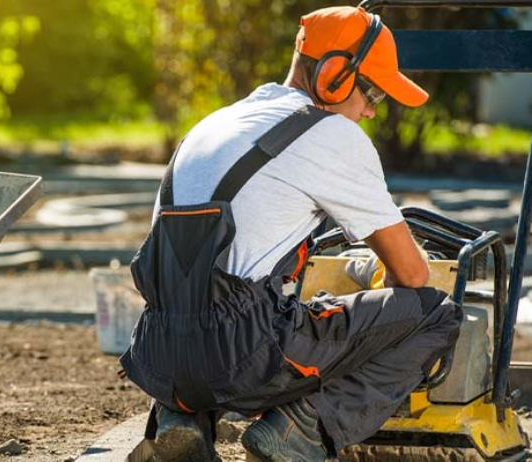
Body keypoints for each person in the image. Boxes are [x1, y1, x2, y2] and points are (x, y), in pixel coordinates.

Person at [119, 5, 463, 462]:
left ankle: (179, 420)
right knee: (436, 312)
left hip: (156, 351)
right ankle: (300, 428)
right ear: (335, 75)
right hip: (243, 355)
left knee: (205, 303)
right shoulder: (331, 135)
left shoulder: (215, 123)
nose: (371, 112)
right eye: (373, 94)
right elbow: (411, 273)